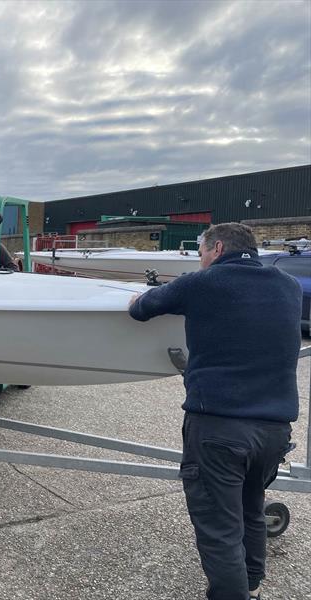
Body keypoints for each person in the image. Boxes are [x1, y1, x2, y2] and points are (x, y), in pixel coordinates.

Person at [128, 222, 301, 600]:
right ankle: (251, 585)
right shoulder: (288, 286)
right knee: (250, 510)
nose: (201, 260)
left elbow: (141, 309)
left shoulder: (202, 283)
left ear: (217, 248)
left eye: (202, 252)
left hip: (219, 428)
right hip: (274, 431)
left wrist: (137, 298)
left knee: (218, 528)